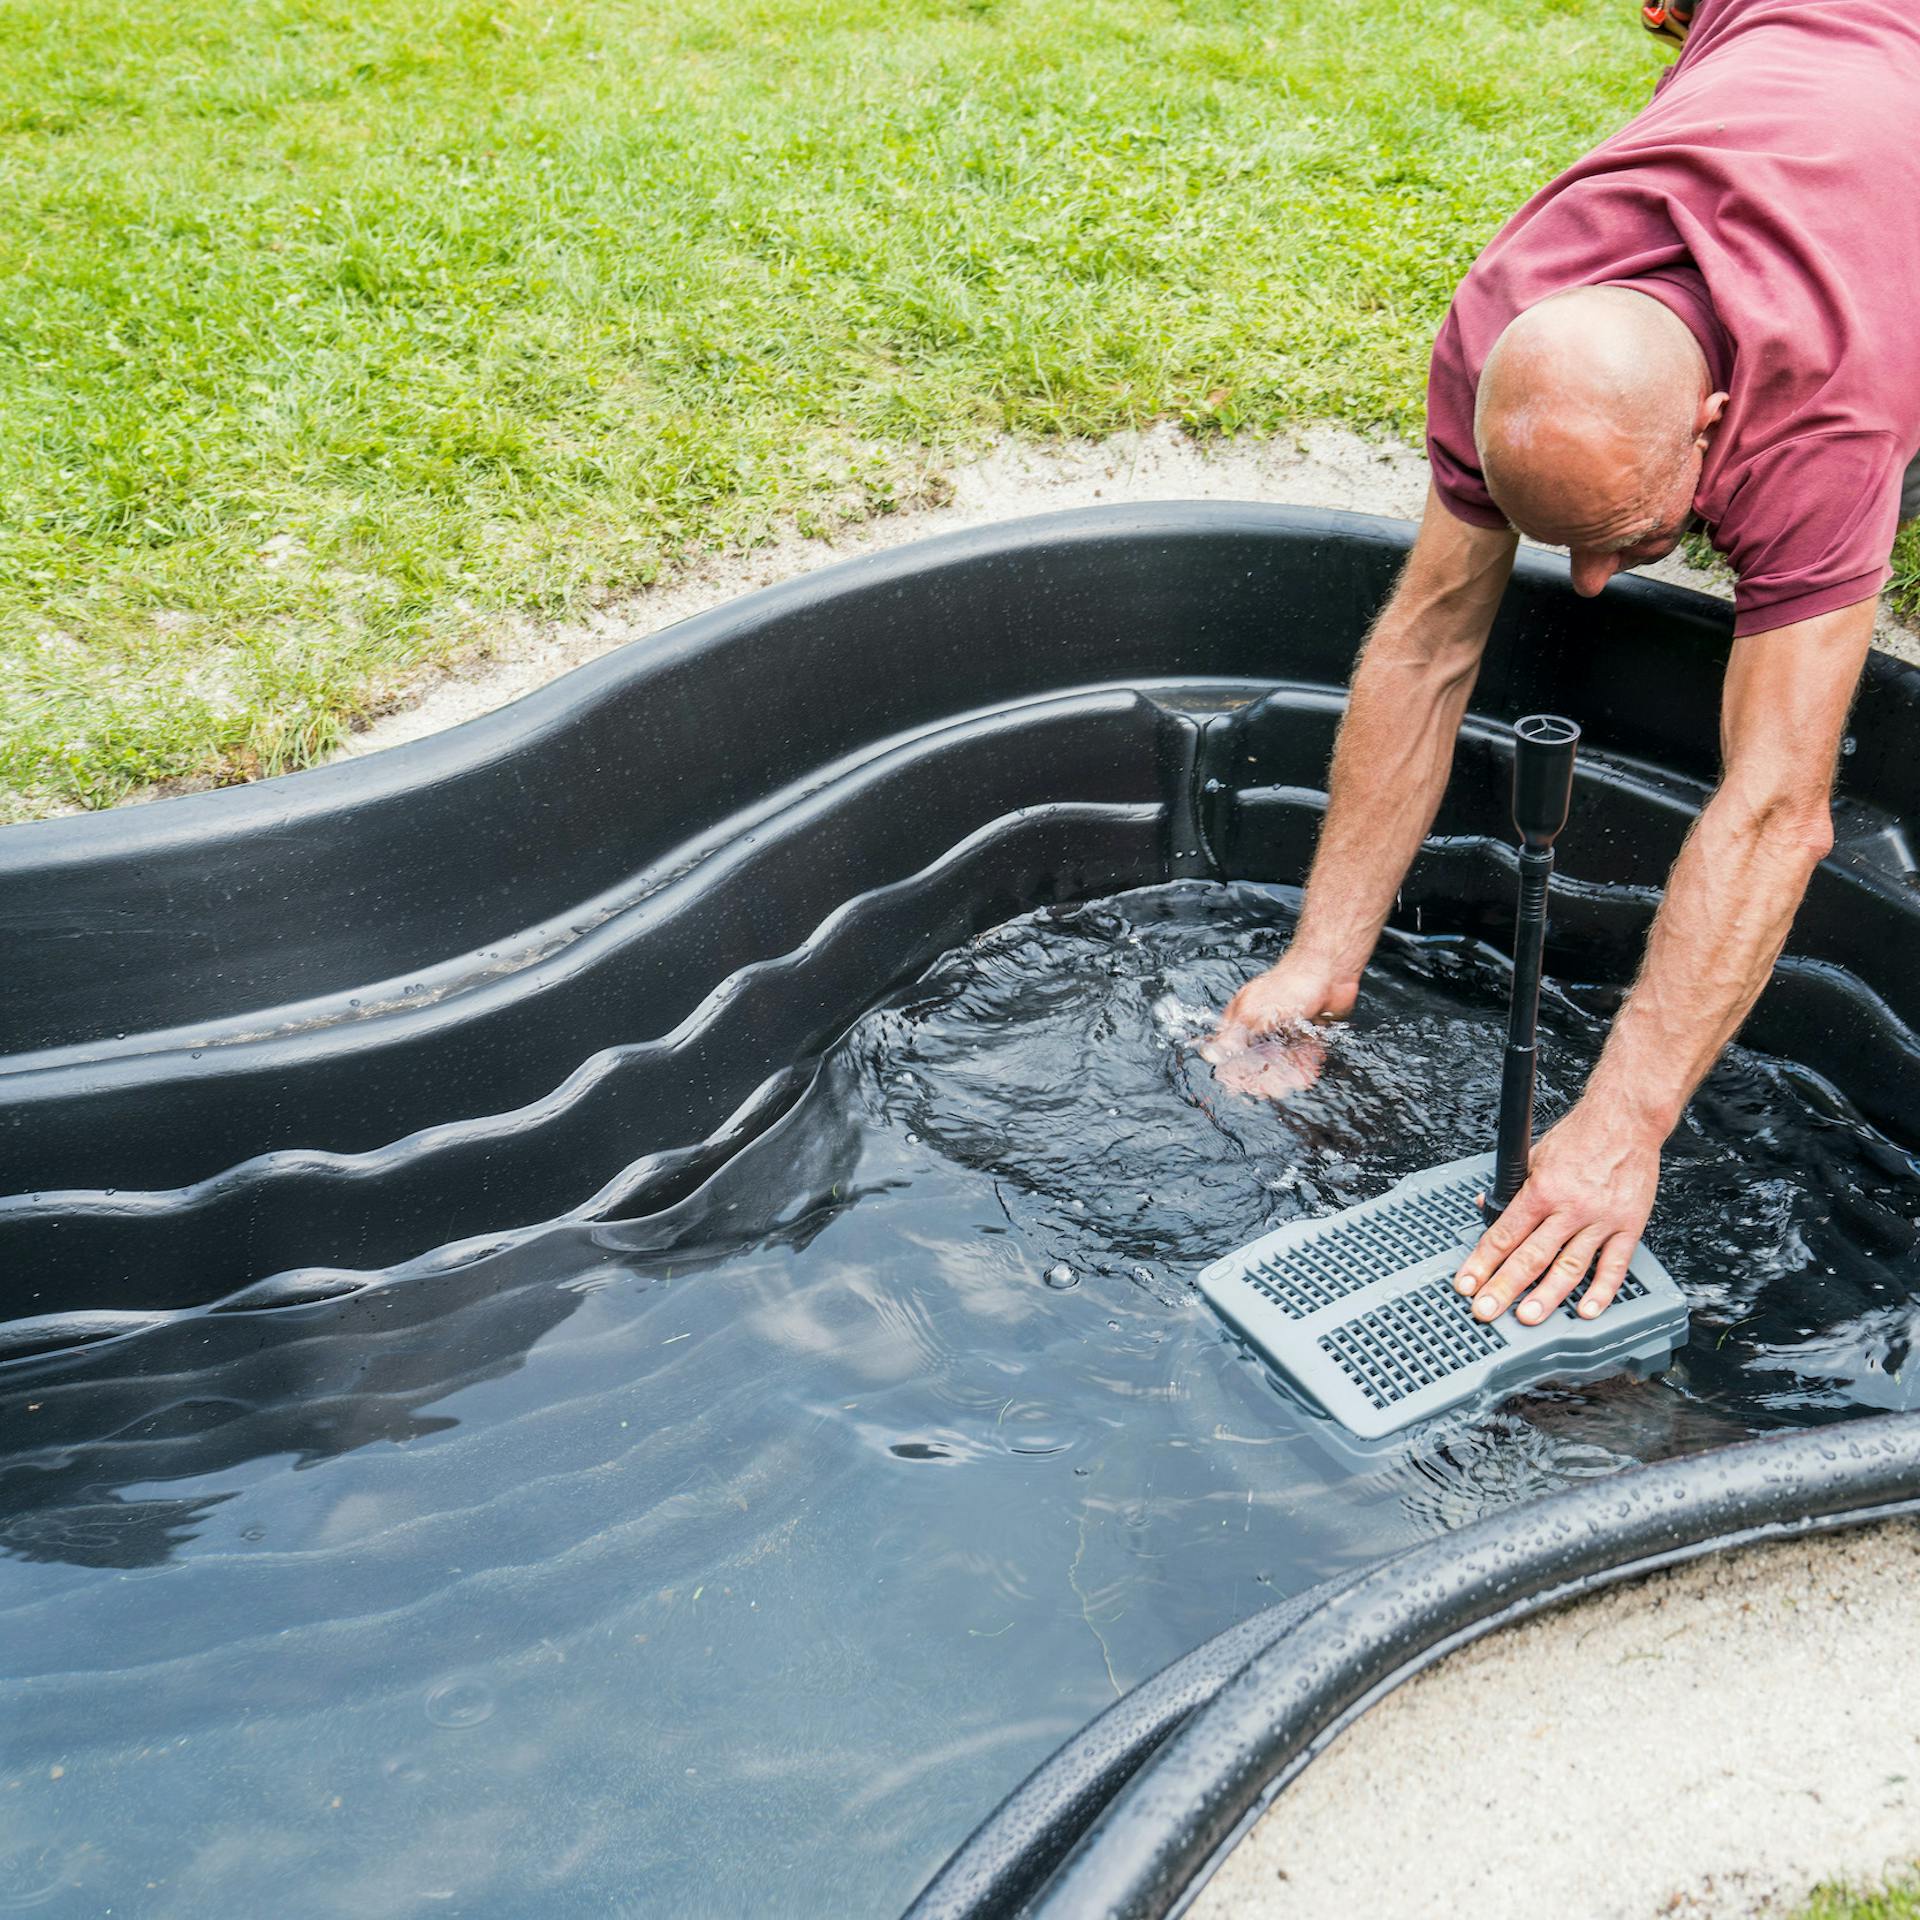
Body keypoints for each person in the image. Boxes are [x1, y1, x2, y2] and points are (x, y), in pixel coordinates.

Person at [1206, 0, 1920, 1327]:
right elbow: (1426, 648)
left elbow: (1776, 810)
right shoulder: (1497, 330)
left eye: (1632, 538)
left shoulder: (1829, 404)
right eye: (1563, 544)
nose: (1595, 586)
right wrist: (1319, 965)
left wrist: (1617, 1130)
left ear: (1718, 425)